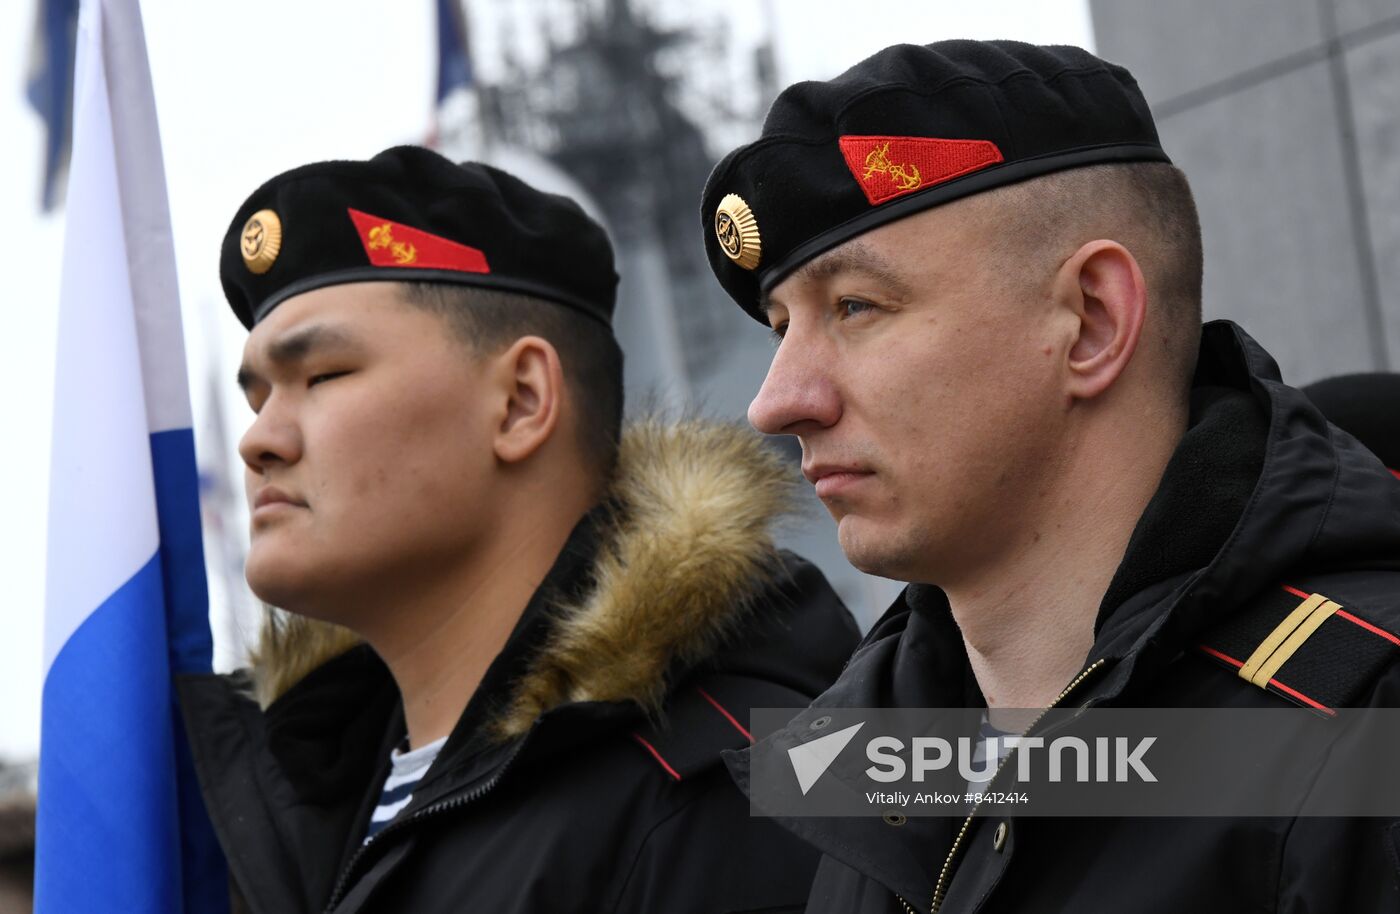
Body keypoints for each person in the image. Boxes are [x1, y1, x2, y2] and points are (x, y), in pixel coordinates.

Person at [700, 40, 1400, 913]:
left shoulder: (1364, 735)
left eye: (854, 306)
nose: (777, 403)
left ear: (1092, 322)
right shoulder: (865, 769)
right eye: (781, 327)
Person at [177, 145, 859, 914]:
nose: (257, 440)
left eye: (322, 376)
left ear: (522, 401)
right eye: (259, 395)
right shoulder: (289, 810)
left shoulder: (736, 786)